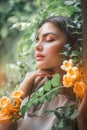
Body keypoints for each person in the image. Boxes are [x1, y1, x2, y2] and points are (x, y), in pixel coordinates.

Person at [0, 16, 87, 130]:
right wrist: (20, 93)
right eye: (37, 40)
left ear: (73, 46)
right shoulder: (33, 88)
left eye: (49, 39)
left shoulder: (81, 98)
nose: (37, 46)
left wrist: (82, 122)